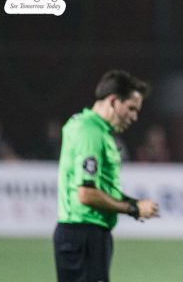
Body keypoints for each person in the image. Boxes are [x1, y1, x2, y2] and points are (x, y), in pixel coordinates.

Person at [53, 70, 159, 282]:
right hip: (84, 235)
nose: (134, 117)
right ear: (112, 101)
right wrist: (132, 208)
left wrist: (133, 203)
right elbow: (86, 194)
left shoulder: (87, 126)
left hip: (83, 236)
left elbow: (99, 188)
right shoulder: (90, 132)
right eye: (130, 108)